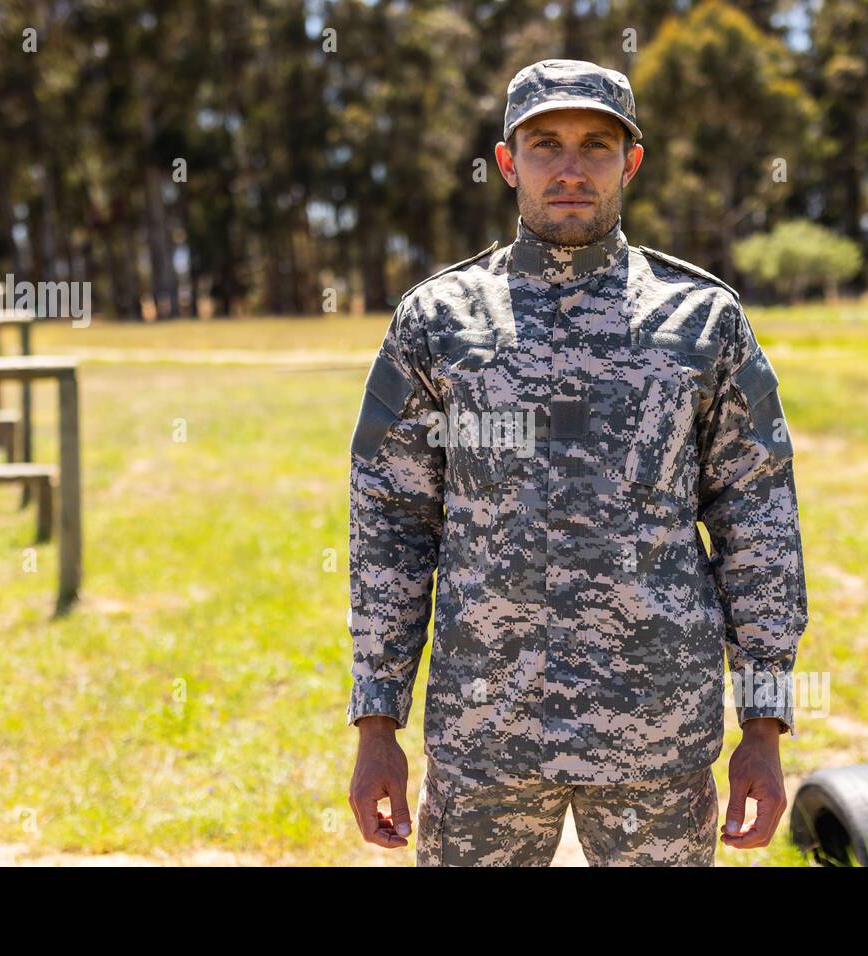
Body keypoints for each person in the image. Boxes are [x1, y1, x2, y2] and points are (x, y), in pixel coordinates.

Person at [345, 58, 807, 866]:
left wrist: (762, 724)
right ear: (506, 162)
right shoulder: (438, 320)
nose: (569, 167)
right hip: (485, 733)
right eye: (545, 143)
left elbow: (757, 519)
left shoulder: (702, 320)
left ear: (630, 162)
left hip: (657, 735)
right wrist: (377, 721)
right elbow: (391, 523)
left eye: (596, 145)